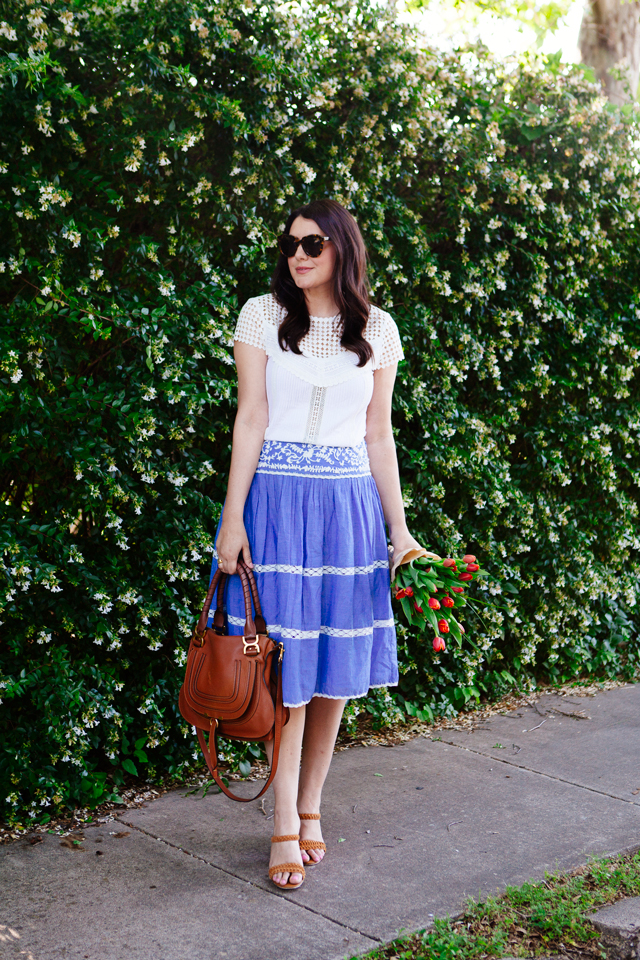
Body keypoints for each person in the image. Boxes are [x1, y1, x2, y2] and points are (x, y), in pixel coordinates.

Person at [210, 198, 422, 890]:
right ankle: (280, 825)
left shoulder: (379, 330)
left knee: (332, 671)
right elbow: (250, 418)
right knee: (286, 672)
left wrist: (400, 530)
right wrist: (231, 518)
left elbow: (379, 436)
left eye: (311, 244)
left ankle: (309, 809)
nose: (297, 255)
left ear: (342, 249)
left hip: (348, 512)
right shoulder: (261, 317)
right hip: (277, 506)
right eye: (290, 244)